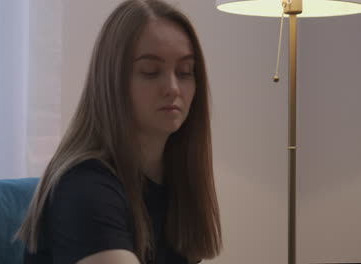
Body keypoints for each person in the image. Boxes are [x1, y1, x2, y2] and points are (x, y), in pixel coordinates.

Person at [16, 0, 222, 263]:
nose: (173, 88)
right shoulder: (84, 186)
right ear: (112, 80)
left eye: (184, 72)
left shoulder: (176, 181)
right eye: (150, 72)